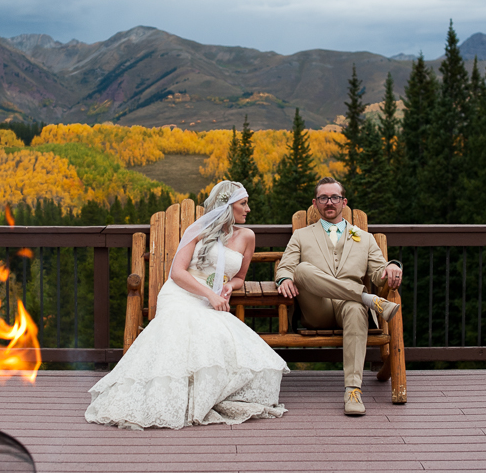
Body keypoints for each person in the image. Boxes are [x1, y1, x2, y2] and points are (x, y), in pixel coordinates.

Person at [85, 181, 289, 430]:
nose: (248, 209)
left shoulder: (247, 237)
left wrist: (228, 288)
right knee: (189, 328)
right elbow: (178, 273)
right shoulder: (198, 231)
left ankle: (208, 393)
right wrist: (209, 295)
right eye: (243, 204)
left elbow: (240, 277)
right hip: (181, 294)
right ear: (226, 206)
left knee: (229, 341)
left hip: (212, 299)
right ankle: (175, 395)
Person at [275, 177, 402, 416]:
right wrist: (285, 279)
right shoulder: (301, 235)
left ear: (343, 202)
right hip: (316, 309)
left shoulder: (364, 238)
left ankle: (353, 391)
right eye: (323, 198)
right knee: (301, 270)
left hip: (349, 308)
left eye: (334, 197)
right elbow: (286, 268)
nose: (329, 202)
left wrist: (393, 266)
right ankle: (366, 298)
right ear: (315, 204)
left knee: (355, 308)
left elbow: (378, 273)